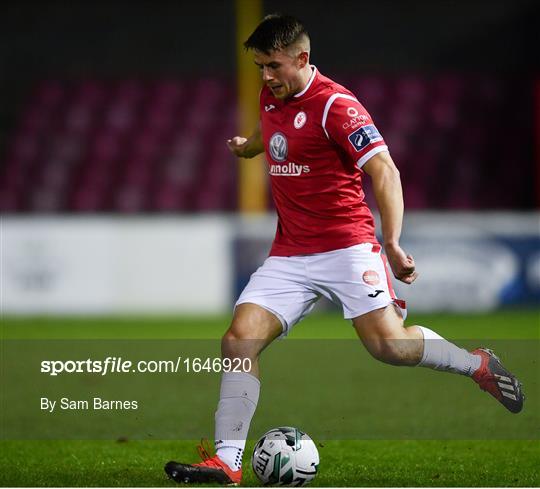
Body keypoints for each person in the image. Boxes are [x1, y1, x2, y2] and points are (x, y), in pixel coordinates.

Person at [165, 14, 524, 485]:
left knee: (390, 346)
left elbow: (385, 172)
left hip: (347, 247)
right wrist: (246, 148)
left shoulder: (338, 105)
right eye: (259, 67)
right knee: (239, 339)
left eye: (273, 66)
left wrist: (392, 241)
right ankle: (227, 462)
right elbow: (269, 134)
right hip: (290, 253)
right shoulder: (270, 94)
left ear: (302, 58)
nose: (266, 76)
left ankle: (476, 363)